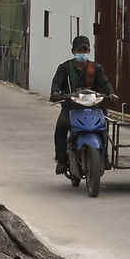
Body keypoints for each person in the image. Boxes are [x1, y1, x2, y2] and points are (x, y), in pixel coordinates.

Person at [49, 36, 112, 175]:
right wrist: (55, 93)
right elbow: (57, 82)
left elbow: (105, 83)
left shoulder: (96, 68)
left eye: (85, 50)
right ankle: (61, 160)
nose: (82, 53)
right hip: (71, 107)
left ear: (89, 51)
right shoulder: (65, 67)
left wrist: (110, 93)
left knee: (103, 126)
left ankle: (105, 158)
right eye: (80, 50)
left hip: (93, 107)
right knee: (61, 125)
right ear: (73, 51)